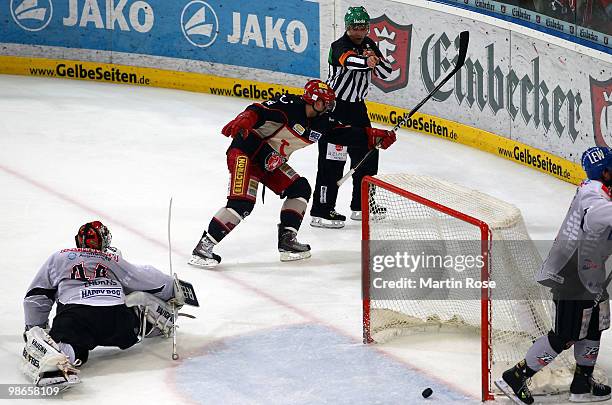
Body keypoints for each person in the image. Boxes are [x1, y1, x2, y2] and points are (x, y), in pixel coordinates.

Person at [188, 79, 396, 268]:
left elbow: (343, 133)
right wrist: (246, 117)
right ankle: (203, 248)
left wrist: (373, 136)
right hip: (246, 153)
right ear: (312, 100)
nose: (329, 106)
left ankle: (287, 241)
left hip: (271, 162)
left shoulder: (322, 122)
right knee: (241, 203)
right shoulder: (289, 106)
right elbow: (259, 110)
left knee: (300, 189)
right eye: (325, 102)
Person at [496, 146, 612, 404]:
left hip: (591, 272)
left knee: (595, 324)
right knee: (565, 336)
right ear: (604, 172)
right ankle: (514, 377)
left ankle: (582, 383)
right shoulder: (593, 194)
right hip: (572, 275)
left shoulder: (599, 188)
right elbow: (596, 218)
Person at [22, 221, 185, 388]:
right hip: (118, 319)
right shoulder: (112, 258)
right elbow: (145, 278)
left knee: (67, 343)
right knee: (137, 298)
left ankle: (60, 361)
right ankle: (154, 324)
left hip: (77, 316)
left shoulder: (59, 257)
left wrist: (35, 327)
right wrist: (172, 288)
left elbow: (38, 295)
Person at [310, 6, 393, 229]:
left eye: (363, 27)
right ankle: (322, 210)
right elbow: (349, 62)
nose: (359, 31)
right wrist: (368, 62)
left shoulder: (369, 45)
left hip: (358, 109)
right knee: (332, 162)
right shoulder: (339, 46)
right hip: (335, 110)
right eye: (355, 27)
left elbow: (387, 73)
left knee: (368, 155)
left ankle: (361, 205)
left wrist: (375, 59)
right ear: (347, 27)